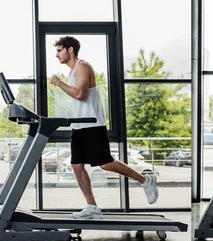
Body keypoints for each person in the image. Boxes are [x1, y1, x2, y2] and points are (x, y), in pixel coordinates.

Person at [50, 35, 158, 219]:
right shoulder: (72, 72)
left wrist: (59, 83)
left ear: (70, 50)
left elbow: (80, 95)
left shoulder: (83, 67)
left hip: (92, 124)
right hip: (79, 125)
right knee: (76, 165)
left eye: (59, 50)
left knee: (106, 163)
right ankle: (92, 207)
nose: (56, 55)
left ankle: (146, 180)